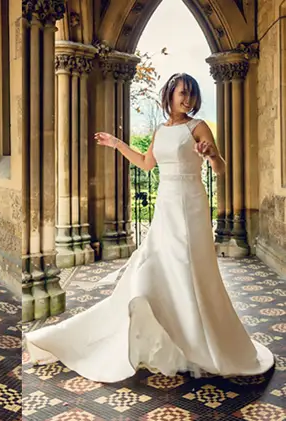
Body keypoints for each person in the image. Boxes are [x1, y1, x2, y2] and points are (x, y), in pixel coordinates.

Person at [24, 73, 274, 382]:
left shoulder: (197, 127)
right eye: (183, 93)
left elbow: (220, 168)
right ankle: (166, 336)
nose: (188, 100)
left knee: (190, 270)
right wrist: (117, 144)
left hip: (191, 206)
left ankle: (198, 341)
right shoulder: (160, 130)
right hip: (166, 207)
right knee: (157, 268)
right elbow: (145, 163)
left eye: (192, 95)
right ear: (169, 95)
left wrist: (211, 154)